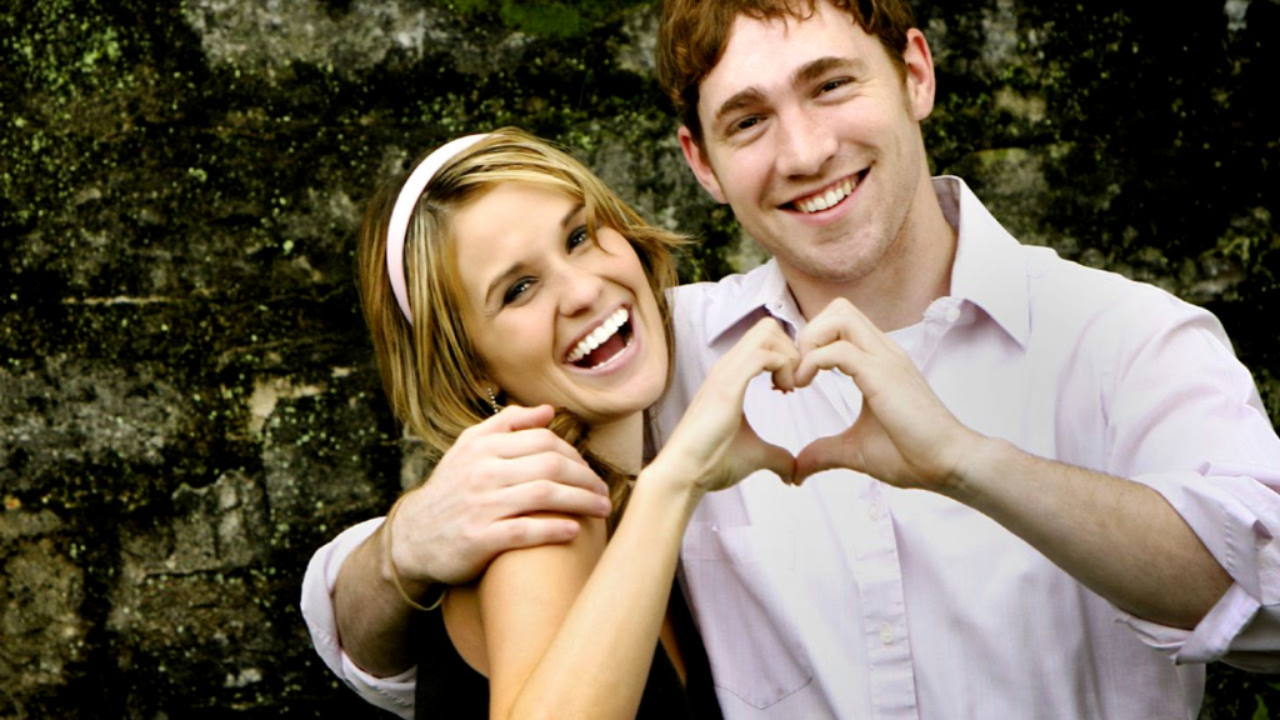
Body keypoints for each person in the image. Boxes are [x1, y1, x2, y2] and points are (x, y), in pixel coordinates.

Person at [304, 1, 1280, 718]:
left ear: (915, 73)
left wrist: (967, 462)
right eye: (747, 120)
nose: (805, 150)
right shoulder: (654, 358)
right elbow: (378, 633)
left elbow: (1269, 600)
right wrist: (401, 548)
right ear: (700, 162)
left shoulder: (1121, 338)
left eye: (831, 84)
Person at [305, 126, 801, 719]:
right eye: (518, 289)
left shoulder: (613, 504)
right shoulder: (545, 520)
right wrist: (676, 482)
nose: (583, 290)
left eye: (579, 236)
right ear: (472, 372)